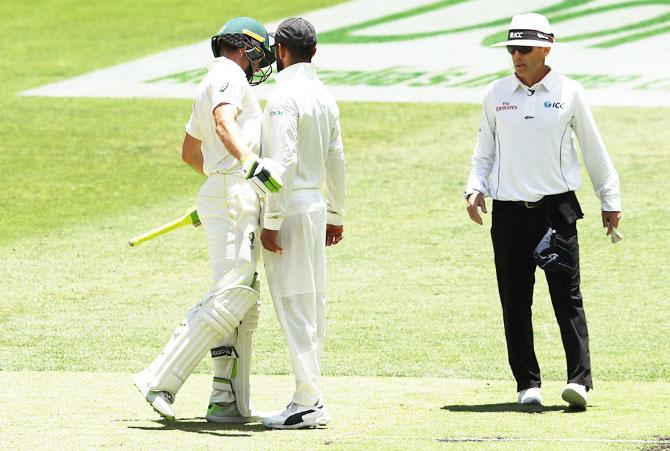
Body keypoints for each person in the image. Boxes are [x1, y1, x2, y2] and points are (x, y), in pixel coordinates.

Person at [464, 13, 621, 409]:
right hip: (509, 214)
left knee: (566, 297)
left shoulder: (570, 93)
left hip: (557, 211)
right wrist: (474, 187)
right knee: (515, 300)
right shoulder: (496, 93)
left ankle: (579, 382)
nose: (516, 56)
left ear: (546, 47)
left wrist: (610, 200)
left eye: (524, 49)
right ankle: (527, 384)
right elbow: (484, 151)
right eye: (511, 50)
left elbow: (593, 150)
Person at [132, 16, 282, 423]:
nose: (260, 63)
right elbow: (223, 122)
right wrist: (245, 166)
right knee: (234, 294)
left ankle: (228, 401)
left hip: (228, 191)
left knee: (241, 302)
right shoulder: (230, 75)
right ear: (245, 48)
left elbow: (189, 152)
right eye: (259, 53)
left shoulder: (211, 79)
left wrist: (218, 186)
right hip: (235, 190)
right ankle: (159, 378)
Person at [259, 18, 346, 429]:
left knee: (295, 306)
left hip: (291, 208)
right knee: (311, 303)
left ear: (281, 51)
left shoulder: (283, 96)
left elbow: (282, 162)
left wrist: (272, 218)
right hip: (314, 208)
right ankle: (309, 397)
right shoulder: (324, 94)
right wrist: (336, 213)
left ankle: (309, 401)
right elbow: (337, 160)